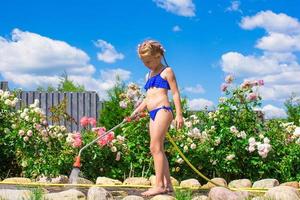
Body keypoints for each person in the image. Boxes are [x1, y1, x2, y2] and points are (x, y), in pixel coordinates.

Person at [129, 39, 184, 196]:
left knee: (155, 147)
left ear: (158, 56)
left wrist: (179, 114)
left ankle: (159, 185)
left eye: (149, 61)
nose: (147, 65)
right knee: (157, 148)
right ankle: (168, 185)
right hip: (152, 113)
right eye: (144, 62)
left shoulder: (167, 71)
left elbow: (175, 93)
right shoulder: (149, 74)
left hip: (163, 110)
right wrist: (136, 112)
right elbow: (147, 99)